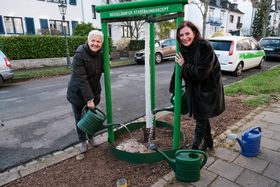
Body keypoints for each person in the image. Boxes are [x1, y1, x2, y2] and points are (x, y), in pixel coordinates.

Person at [169, 21, 225, 151]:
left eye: (187, 33)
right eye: (181, 35)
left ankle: (194, 148)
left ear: (194, 33)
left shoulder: (204, 47)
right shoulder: (182, 48)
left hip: (208, 88)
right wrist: (173, 88)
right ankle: (209, 143)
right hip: (194, 88)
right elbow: (176, 69)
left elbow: (201, 73)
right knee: (202, 116)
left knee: (201, 118)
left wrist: (184, 65)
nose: (184, 37)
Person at [67, 30, 105, 153]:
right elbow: (81, 79)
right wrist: (89, 99)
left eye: (98, 41)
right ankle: (82, 141)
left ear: (102, 43)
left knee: (91, 118)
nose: (95, 44)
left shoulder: (101, 54)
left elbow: (99, 69)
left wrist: (106, 65)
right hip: (77, 93)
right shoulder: (79, 54)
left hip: (93, 91)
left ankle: (91, 137)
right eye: (93, 40)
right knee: (80, 118)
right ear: (88, 41)